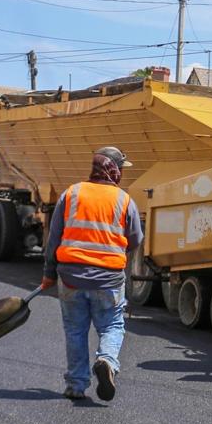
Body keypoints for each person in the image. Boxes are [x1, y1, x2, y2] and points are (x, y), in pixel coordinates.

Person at [40, 146, 142, 402]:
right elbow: (136, 239)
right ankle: (107, 360)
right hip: (108, 278)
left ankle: (76, 384)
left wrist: (48, 274)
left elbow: (54, 239)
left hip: (71, 277)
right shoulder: (124, 200)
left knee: (75, 330)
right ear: (114, 170)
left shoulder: (71, 194)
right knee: (112, 325)